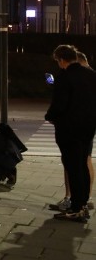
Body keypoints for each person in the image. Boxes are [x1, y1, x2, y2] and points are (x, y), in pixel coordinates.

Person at [44, 44, 96, 222]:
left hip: (69, 129)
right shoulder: (91, 75)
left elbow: (59, 105)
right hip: (88, 127)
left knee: (73, 167)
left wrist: (50, 116)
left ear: (61, 60)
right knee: (82, 164)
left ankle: (76, 207)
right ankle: (83, 204)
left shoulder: (65, 77)